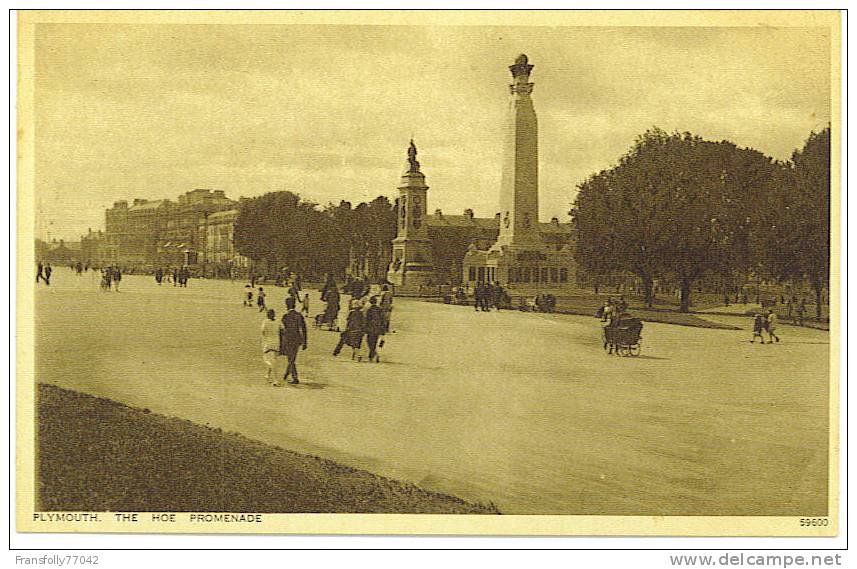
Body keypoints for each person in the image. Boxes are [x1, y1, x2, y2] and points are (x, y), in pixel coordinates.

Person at [279, 297, 307, 385]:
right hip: (297, 340)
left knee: (291, 359)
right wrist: (305, 342)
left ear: (287, 305)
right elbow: (304, 329)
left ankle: (295, 378)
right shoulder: (299, 315)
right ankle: (286, 375)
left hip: (288, 340)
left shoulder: (285, 316)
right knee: (292, 357)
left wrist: (280, 342)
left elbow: (281, 331)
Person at [261, 309, 283, 385]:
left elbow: (263, 331)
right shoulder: (278, 321)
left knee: (267, 360)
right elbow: (283, 330)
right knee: (273, 359)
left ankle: (276, 380)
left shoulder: (265, 322)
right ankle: (267, 375)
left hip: (268, 344)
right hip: (276, 343)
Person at [364, 296, 386, 363]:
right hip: (377, 329)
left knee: (369, 342)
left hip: (370, 329)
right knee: (374, 342)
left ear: (370, 302)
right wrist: (383, 330)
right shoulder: (380, 309)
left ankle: (372, 356)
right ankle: (375, 354)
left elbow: (367, 320)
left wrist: (365, 329)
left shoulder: (369, 310)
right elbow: (383, 320)